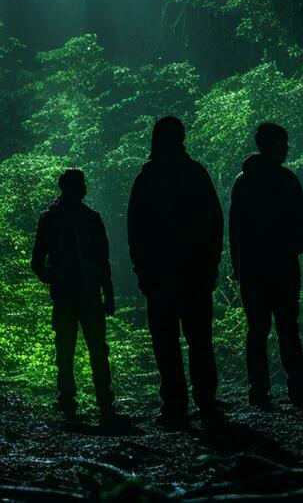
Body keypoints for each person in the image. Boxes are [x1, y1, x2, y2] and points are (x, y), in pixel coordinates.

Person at [127, 116, 224, 429]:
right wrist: (211, 267)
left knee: (167, 343)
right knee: (199, 341)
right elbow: (214, 225)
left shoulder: (148, 178)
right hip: (194, 276)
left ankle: (175, 406)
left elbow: (136, 233)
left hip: (161, 279)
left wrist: (142, 272)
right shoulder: (195, 174)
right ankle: (205, 402)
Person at [229, 121, 303, 409]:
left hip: (252, 270)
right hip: (284, 268)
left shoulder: (243, 181)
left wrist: (238, 265)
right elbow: (302, 229)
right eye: (284, 144)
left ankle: (259, 392)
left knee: (257, 330)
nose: (287, 149)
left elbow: (234, 228)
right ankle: (299, 390)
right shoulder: (286, 180)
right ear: (276, 145)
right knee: (288, 328)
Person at [31, 169, 119, 423]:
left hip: (66, 295)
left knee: (66, 348)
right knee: (96, 349)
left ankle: (68, 399)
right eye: (81, 184)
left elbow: (37, 262)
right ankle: (103, 400)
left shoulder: (50, 218)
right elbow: (103, 262)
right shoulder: (91, 218)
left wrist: (52, 278)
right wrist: (108, 294)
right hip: (88, 293)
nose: (84, 188)